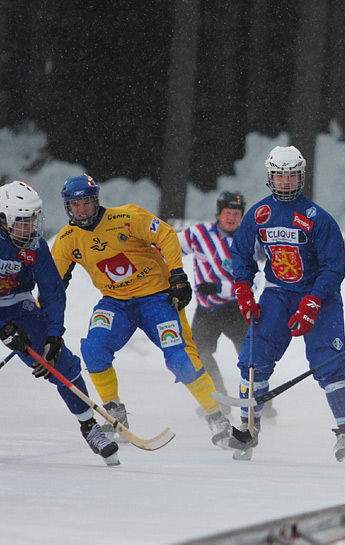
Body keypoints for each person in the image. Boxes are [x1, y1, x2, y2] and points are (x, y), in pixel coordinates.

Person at [50, 174, 247, 451]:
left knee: (180, 358)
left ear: (96, 201)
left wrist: (177, 275)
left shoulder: (127, 216)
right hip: (116, 303)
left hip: (157, 299)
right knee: (93, 350)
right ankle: (114, 410)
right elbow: (53, 284)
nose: (81, 210)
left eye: (86, 203)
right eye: (75, 205)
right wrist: (40, 320)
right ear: (67, 207)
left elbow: (165, 234)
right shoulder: (67, 239)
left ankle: (218, 418)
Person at [230, 145, 345, 466]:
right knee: (253, 357)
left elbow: (334, 267)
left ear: (301, 177)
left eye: (291, 177)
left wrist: (314, 303)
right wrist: (243, 289)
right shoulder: (259, 214)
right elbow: (241, 253)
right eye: (279, 176)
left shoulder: (319, 218)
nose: (285, 183)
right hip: (278, 293)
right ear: (270, 177)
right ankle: (250, 422)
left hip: (319, 296)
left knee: (329, 363)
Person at [0, 181, 119, 466]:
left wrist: (53, 336)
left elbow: (53, 292)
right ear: (3, 219)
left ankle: (90, 427)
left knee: (63, 363)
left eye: (33, 219)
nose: (30, 227)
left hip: (18, 304)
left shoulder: (35, 245)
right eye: (22, 221)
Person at [177, 191, 249, 399]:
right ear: (219, 213)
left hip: (236, 309)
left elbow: (257, 279)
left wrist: (220, 288)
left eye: (237, 213)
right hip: (206, 310)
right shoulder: (199, 234)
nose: (232, 217)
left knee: (250, 356)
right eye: (228, 212)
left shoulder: (247, 241)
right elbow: (167, 246)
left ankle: (260, 401)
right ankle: (218, 399)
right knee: (199, 355)